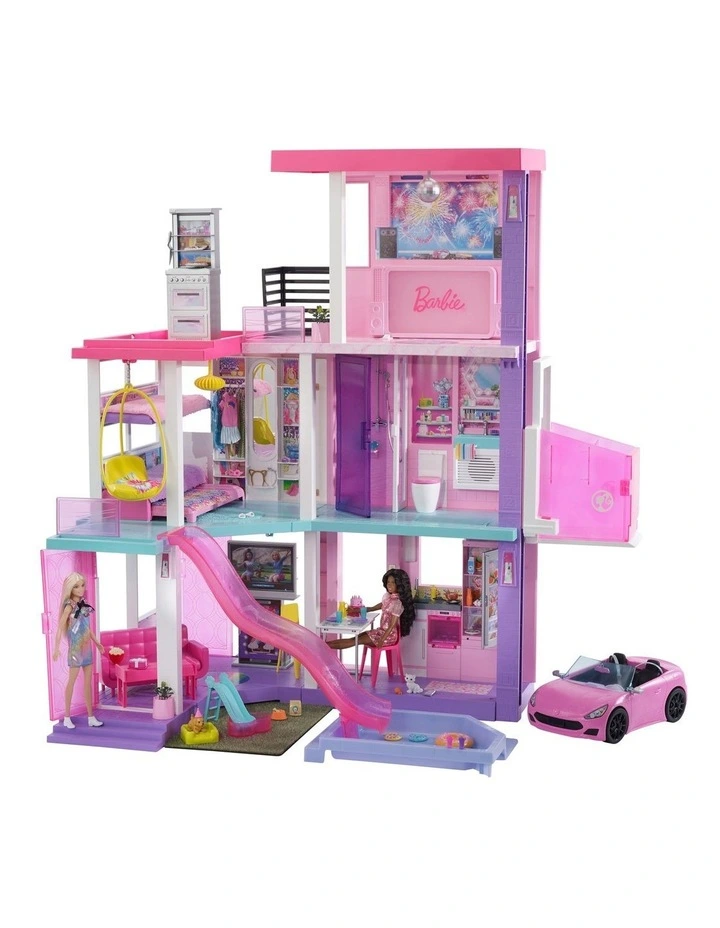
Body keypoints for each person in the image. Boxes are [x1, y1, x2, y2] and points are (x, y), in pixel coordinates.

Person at [52, 573, 105, 729]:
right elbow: (60, 627)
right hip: (75, 649)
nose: (80, 589)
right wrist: (56, 648)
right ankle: (67, 716)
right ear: (70, 588)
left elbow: (87, 628)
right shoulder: (69, 605)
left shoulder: (84, 604)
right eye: (76, 586)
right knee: (72, 682)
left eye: (82, 585)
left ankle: (91, 717)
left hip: (87, 648)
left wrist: (97, 643)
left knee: (88, 684)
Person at [326, 568, 416, 653]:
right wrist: (356, 610)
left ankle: (324, 646)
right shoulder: (388, 598)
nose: (389, 584)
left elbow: (392, 626)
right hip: (380, 632)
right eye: (388, 582)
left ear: (399, 585)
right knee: (355, 638)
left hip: (388, 636)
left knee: (355, 641)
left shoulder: (397, 603)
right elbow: (372, 608)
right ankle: (325, 645)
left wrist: (382, 639)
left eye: (393, 582)